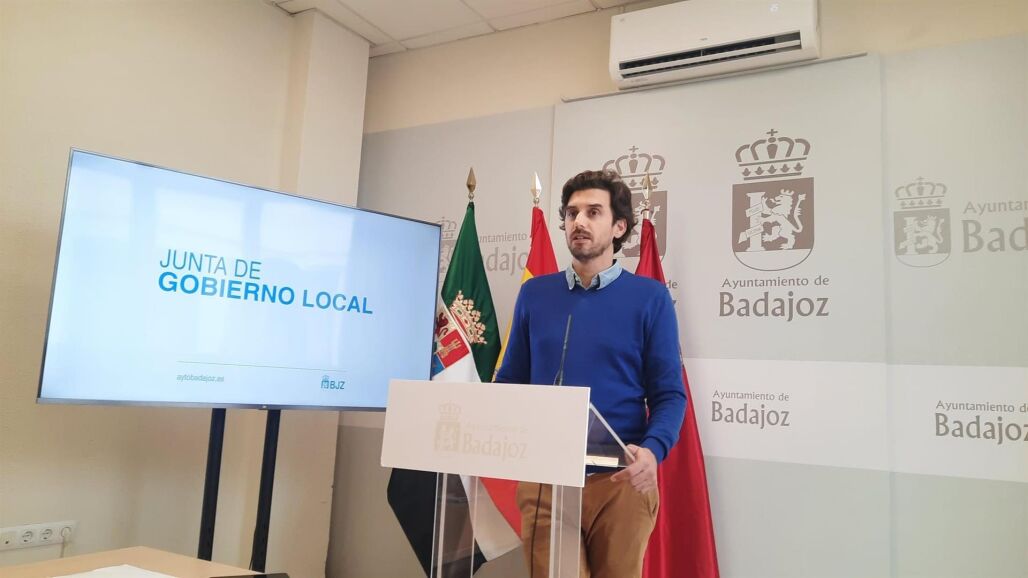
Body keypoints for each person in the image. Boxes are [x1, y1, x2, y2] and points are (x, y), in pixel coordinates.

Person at [494, 169, 687, 578]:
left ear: (619, 227)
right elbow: (510, 382)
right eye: (571, 213)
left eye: (593, 212)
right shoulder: (534, 294)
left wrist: (653, 449)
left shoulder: (650, 298)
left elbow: (669, 394)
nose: (578, 221)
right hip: (546, 477)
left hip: (620, 483)